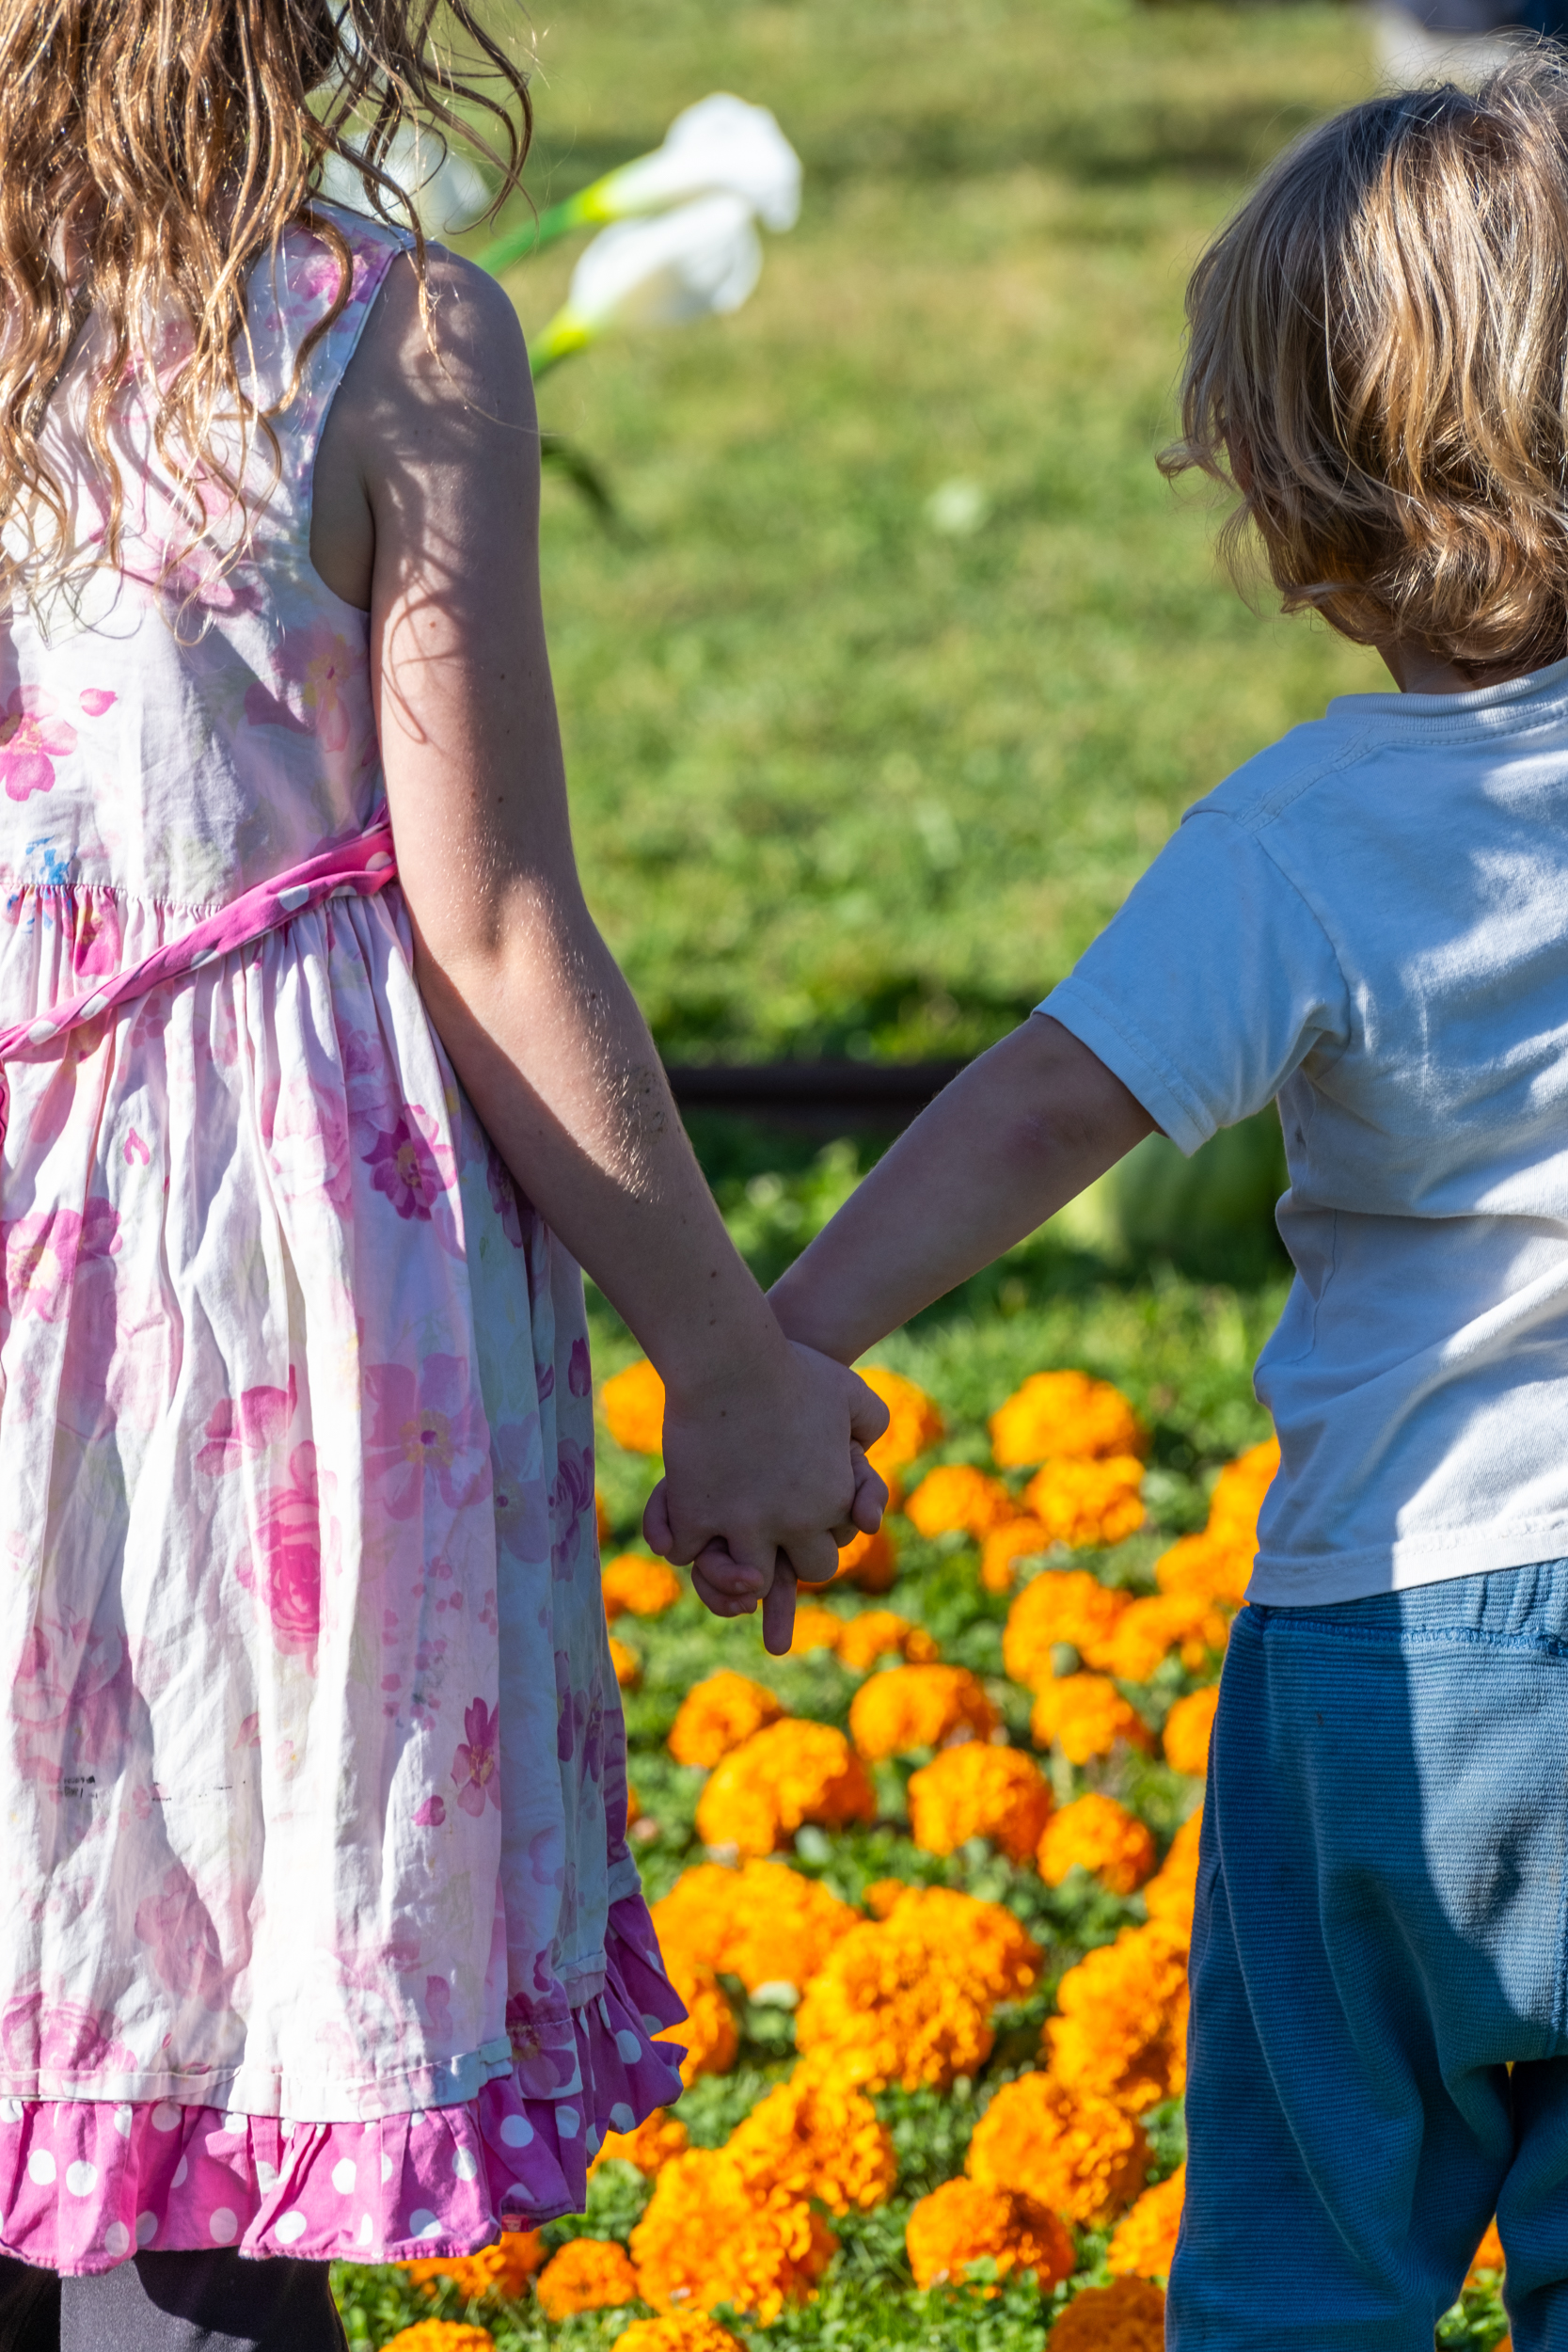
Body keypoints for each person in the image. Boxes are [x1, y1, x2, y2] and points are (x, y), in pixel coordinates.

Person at [0, 3, 887, 2344]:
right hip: (250, 1325)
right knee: (201, 2084)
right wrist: (733, 1354)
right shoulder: (381, 332)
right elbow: (492, 916)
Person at [672, 57, 1568, 2352]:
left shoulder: (1303, 840)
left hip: (1395, 1641)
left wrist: (781, 1346)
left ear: (1296, 495)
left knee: (1307, 2256)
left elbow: (1043, 1109)